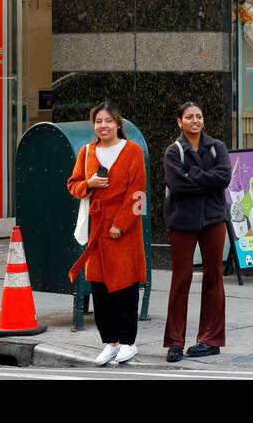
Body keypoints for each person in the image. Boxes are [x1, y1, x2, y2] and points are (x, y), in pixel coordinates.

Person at [67, 101, 147, 366]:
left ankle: (128, 343)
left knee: (124, 286)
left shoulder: (132, 151)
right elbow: (73, 184)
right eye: (99, 121)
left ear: (118, 124)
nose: (103, 126)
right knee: (100, 288)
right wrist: (88, 184)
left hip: (124, 230)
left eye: (108, 121)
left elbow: (138, 193)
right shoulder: (87, 152)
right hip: (96, 228)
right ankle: (110, 343)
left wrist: (120, 223)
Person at [163, 101, 232, 363]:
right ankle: (175, 342)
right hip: (182, 222)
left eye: (199, 116)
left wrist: (194, 175)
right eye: (189, 117)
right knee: (182, 278)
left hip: (213, 219)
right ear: (179, 122)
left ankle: (210, 340)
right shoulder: (173, 151)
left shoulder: (217, 147)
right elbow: (177, 184)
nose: (195, 120)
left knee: (213, 275)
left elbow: (223, 177)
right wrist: (206, 178)